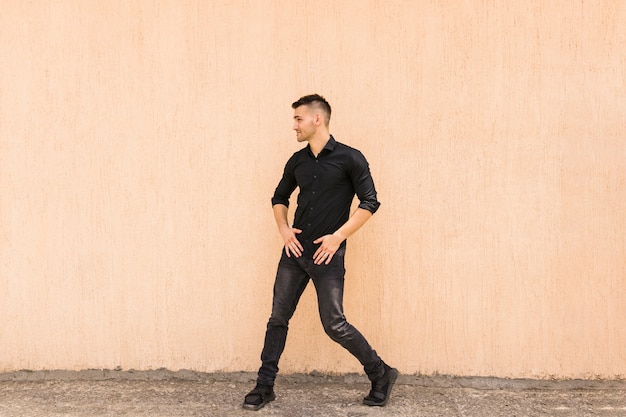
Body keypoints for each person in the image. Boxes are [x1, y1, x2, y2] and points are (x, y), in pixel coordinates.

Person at [243, 94, 398, 411]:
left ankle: (381, 374)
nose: (294, 126)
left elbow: (370, 202)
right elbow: (279, 197)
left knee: (335, 324)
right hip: (294, 253)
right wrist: (284, 230)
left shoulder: (350, 158)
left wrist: (338, 237)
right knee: (277, 319)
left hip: (328, 256)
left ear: (317, 119)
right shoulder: (297, 161)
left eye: (298, 119)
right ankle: (264, 386)